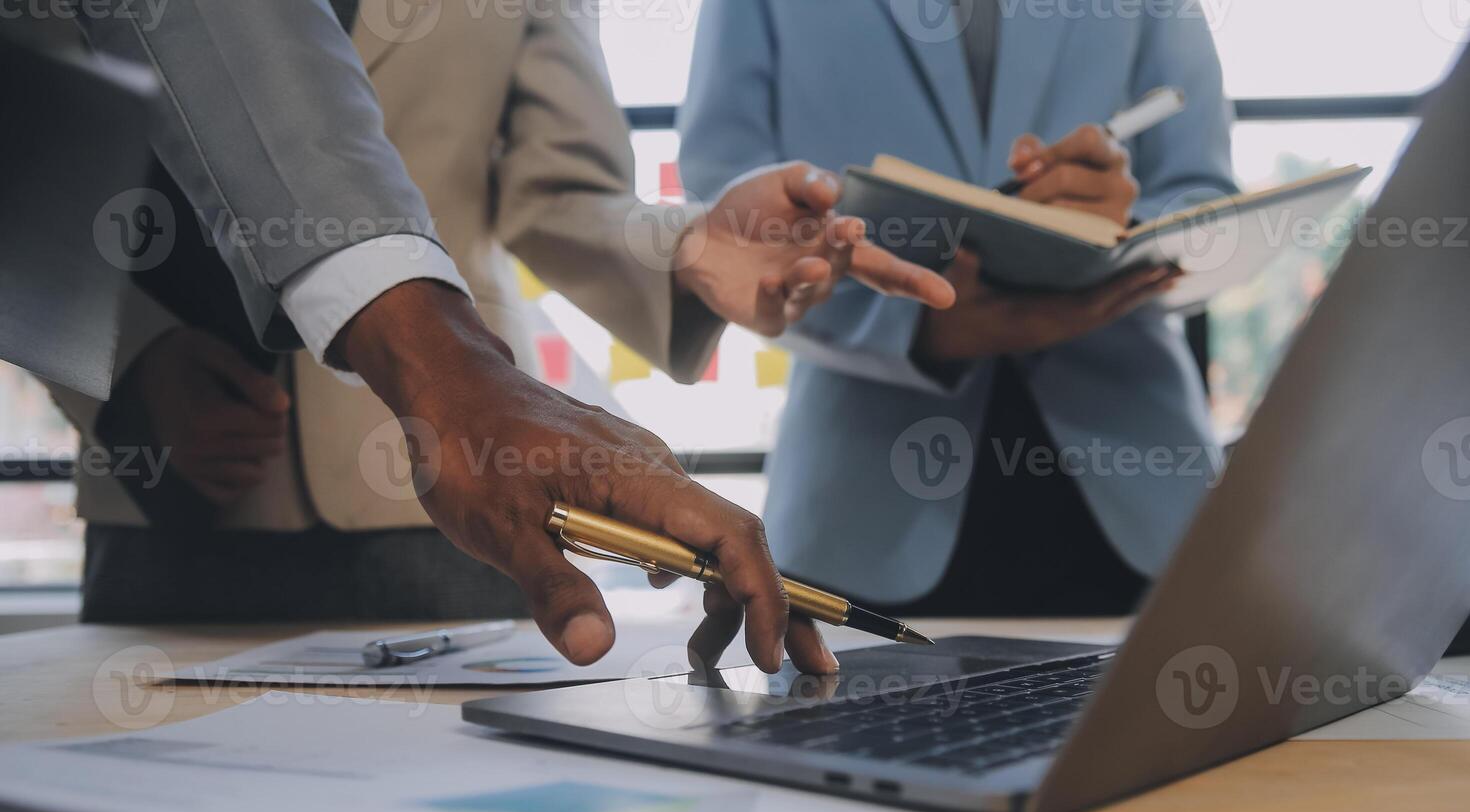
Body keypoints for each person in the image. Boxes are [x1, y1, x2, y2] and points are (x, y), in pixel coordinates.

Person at [37, 1, 953, 674]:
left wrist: (683, 250)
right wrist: (127, 369)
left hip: (465, 501)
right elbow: (28, 142)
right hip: (170, 497)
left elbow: (558, 191)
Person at [679, 0, 1237, 616]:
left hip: (1141, 495)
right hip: (859, 502)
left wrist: (1122, 230)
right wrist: (909, 327)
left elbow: (1205, 200)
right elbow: (729, 225)